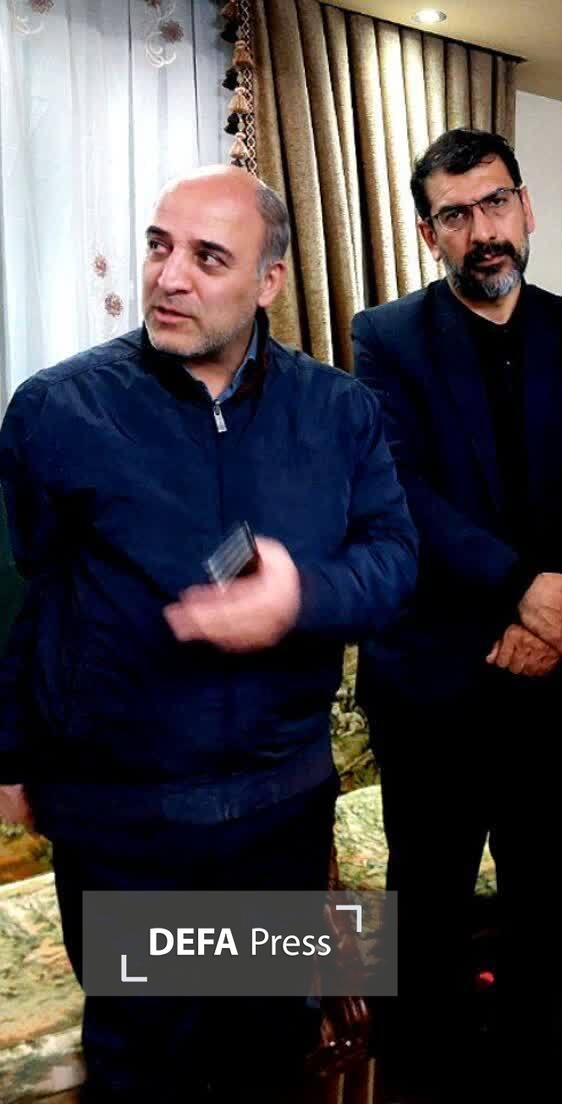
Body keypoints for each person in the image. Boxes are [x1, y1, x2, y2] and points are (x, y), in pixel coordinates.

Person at [0, 165, 418, 1102]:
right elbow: (27, 595)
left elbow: (396, 562)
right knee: (144, 1066)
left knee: (269, 1054)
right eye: (159, 246)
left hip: (280, 814)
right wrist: (12, 755)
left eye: (207, 257)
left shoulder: (341, 410)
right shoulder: (56, 409)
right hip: (125, 827)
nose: (169, 276)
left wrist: (299, 597)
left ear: (269, 280)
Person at [351, 128, 562, 1102]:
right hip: (436, 682)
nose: (482, 231)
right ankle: (419, 1083)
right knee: (424, 915)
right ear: (427, 233)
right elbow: (400, 491)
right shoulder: (384, 337)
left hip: (556, 683)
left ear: (525, 208)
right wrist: (522, 589)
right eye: (455, 214)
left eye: (494, 204)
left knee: (549, 905)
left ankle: (532, 1074)